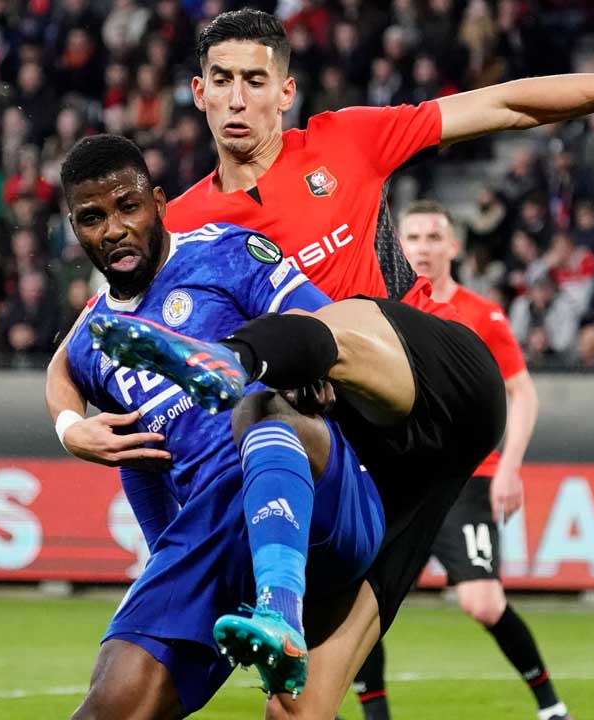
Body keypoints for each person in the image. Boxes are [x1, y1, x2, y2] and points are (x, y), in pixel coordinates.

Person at [48, 6, 594, 717]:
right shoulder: (185, 227)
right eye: (222, 80)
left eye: (256, 79)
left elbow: (504, 102)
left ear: (286, 92)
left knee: (325, 329)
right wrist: (72, 427)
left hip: (431, 381)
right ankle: (254, 419)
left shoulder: (347, 140)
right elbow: (80, 349)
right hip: (372, 471)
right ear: (198, 92)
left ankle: (237, 362)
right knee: (295, 706)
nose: (238, 97)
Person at [59, 135, 388, 718]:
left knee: (258, 410)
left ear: (159, 203)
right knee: (110, 704)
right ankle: (262, 612)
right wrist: (68, 426)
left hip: (322, 496)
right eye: (93, 218)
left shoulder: (227, 253)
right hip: (209, 534)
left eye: (128, 207)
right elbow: (66, 374)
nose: (113, 230)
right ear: (74, 227)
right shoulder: (95, 337)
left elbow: (323, 321)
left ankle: (279, 609)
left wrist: (310, 360)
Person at [346, 200, 565, 720]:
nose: (423, 247)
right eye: (414, 237)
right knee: (360, 605)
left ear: (453, 247)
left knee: (483, 603)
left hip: (466, 478)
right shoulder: (381, 306)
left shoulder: (480, 313)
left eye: (433, 237)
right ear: (401, 245)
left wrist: (509, 465)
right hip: (398, 477)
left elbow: (523, 393)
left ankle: (551, 707)